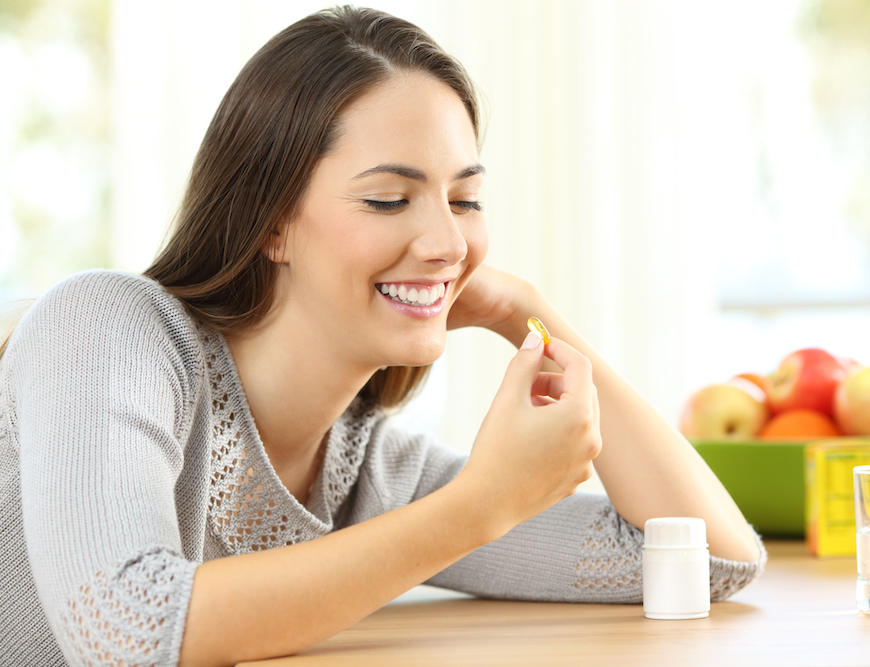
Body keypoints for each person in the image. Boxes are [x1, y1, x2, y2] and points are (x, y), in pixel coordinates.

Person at [0, 6, 765, 666]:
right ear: (272, 224)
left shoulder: (371, 474)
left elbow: (709, 559)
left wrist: (526, 313)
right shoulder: (102, 329)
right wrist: (479, 505)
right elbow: (123, 630)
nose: (446, 241)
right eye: (389, 199)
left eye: (465, 199)